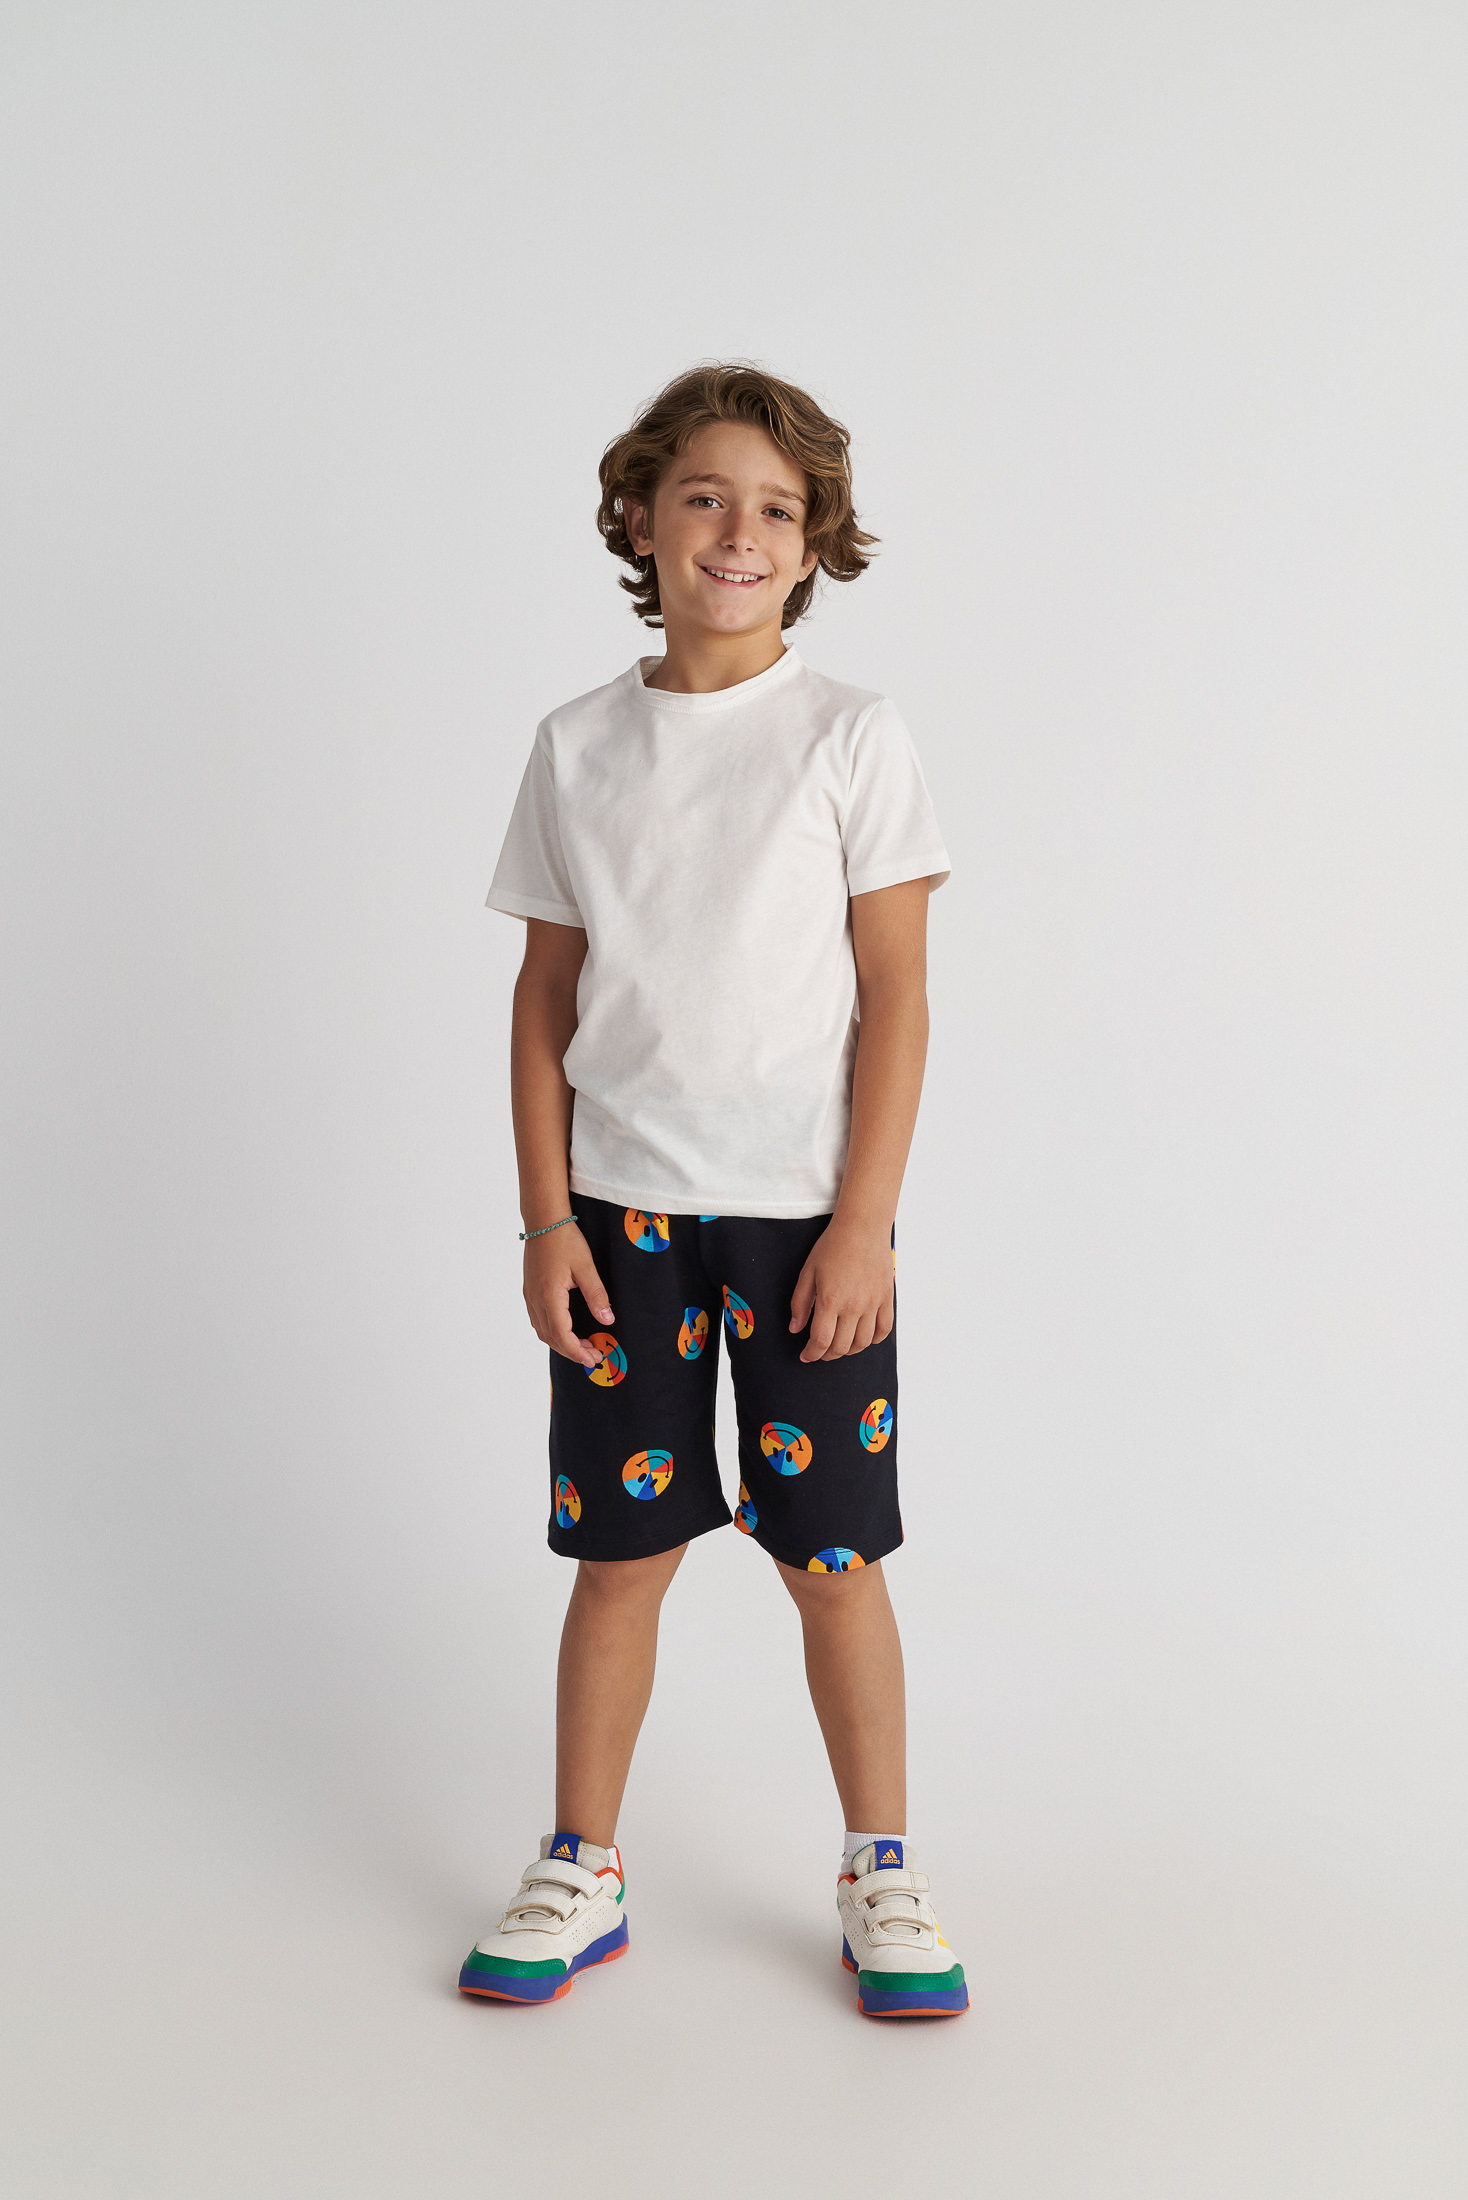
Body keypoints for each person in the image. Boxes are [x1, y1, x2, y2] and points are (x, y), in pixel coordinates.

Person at [459, 363, 966, 2018]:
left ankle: (882, 1866)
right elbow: (543, 1000)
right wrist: (547, 1218)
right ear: (639, 518)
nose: (738, 533)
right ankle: (583, 1863)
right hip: (622, 1225)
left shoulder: (851, 737)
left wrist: (864, 1224)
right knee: (621, 1556)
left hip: (807, 1225)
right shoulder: (577, 746)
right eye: (704, 498)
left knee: (833, 1559)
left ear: (812, 544)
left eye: (775, 509)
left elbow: (899, 997)